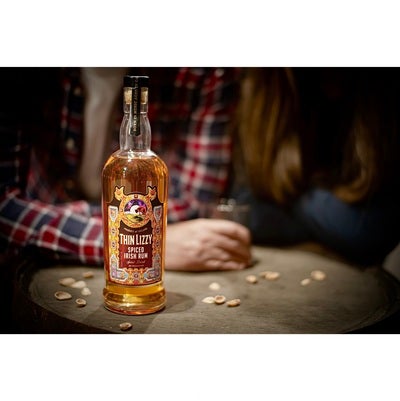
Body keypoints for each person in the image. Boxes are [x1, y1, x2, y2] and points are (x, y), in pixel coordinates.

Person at [0, 67, 252, 273]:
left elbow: (195, 201)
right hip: (30, 264)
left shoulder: (205, 68)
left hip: (141, 260)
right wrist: (120, 239)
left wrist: (50, 216)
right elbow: (5, 208)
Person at [227, 67, 400, 266]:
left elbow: (368, 231)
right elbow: (246, 212)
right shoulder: (265, 85)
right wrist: (326, 221)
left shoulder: (383, 94)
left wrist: (289, 196)